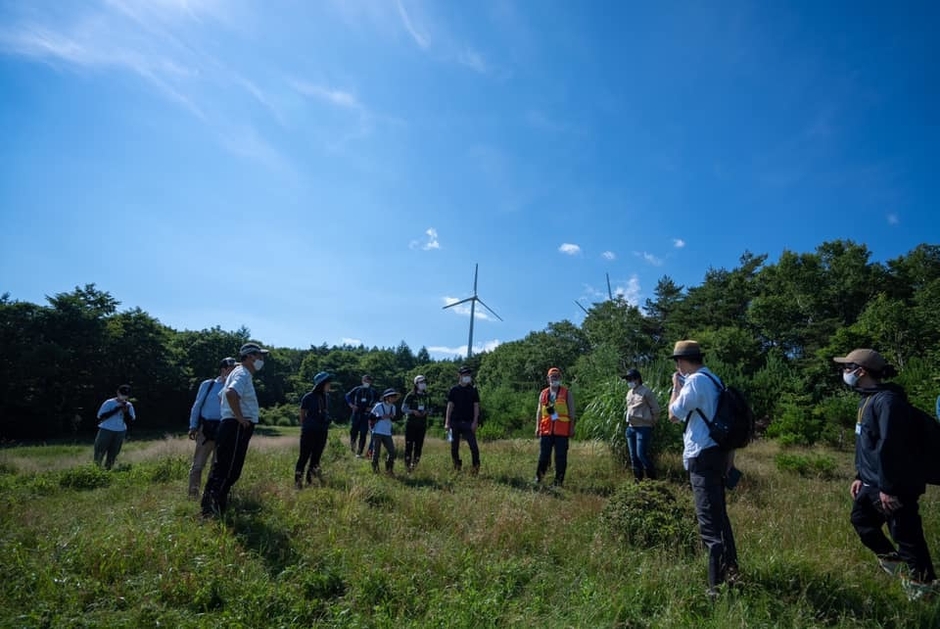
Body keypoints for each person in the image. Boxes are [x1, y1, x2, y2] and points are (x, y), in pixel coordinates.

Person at [834, 348, 937, 600]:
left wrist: (889, 488)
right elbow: (867, 444)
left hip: (893, 486)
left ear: (861, 371)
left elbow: (892, 447)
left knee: (907, 537)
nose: (844, 371)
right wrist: (859, 475)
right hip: (871, 483)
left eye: (847, 367)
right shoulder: (867, 399)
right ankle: (899, 568)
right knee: (862, 521)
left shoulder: (888, 402)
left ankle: (925, 589)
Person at [667, 340, 739, 598]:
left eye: (677, 362)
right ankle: (732, 574)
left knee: (709, 524)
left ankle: (715, 588)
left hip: (702, 456)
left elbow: (673, 415)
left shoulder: (695, 382)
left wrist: (676, 387)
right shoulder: (714, 380)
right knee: (720, 519)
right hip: (717, 454)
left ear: (681, 362)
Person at [201, 342, 269, 518]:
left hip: (231, 424)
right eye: (259, 356)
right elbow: (230, 394)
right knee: (229, 470)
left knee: (222, 467)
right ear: (250, 356)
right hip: (236, 426)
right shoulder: (242, 373)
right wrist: (239, 417)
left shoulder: (237, 373)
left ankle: (209, 506)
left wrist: (229, 413)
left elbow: (221, 396)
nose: (261, 360)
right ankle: (214, 509)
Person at [187, 357, 237, 498]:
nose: (234, 371)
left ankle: (209, 495)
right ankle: (193, 494)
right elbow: (197, 405)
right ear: (223, 369)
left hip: (226, 429)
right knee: (198, 464)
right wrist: (193, 426)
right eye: (231, 368)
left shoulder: (236, 387)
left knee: (217, 466)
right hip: (207, 429)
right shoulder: (208, 385)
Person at [534, 367, 576, 487]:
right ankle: (539, 478)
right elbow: (539, 412)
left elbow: (572, 413)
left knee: (560, 458)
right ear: (548, 379)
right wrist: (537, 427)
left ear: (560, 378)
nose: (554, 379)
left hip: (562, 431)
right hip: (546, 431)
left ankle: (558, 482)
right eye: (552, 377)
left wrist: (571, 428)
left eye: (556, 377)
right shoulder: (543, 393)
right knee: (543, 456)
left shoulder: (567, 393)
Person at [295, 371, 335, 488]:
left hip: (322, 431)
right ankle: (298, 483)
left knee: (316, 458)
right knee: (304, 457)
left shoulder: (326, 397)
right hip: (309, 431)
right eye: (328, 383)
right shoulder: (308, 397)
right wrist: (305, 427)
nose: (330, 385)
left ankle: (310, 481)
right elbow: (302, 414)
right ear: (321, 384)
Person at [623, 368, 661, 482]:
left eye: (630, 379)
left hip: (643, 428)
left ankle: (652, 481)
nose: (629, 381)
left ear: (637, 379)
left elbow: (656, 409)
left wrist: (652, 422)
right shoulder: (629, 393)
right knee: (633, 457)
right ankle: (638, 482)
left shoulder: (646, 392)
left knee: (641, 455)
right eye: (627, 379)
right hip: (631, 428)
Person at [445, 366, 481, 474]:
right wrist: (447, 422)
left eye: (468, 375)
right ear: (459, 376)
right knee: (454, 447)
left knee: (474, 447)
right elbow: (450, 406)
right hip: (455, 422)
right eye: (465, 375)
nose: (467, 376)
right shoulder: (454, 390)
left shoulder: (473, 390)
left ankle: (475, 468)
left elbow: (476, 406)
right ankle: (457, 466)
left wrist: (475, 422)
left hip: (468, 422)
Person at [94, 384, 136, 470]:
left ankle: (108, 470)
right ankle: (95, 469)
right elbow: (100, 416)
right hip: (106, 429)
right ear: (118, 392)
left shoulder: (129, 405)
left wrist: (126, 412)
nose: (124, 396)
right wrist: (116, 409)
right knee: (100, 451)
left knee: (114, 452)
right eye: (122, 394)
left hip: (120, 431)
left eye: (126, 395)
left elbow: (131, 420)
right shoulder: (109, 402)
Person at [402, 375, 431, 472]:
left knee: (419, 446)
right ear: (416, 384)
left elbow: (431, 409)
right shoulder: (411, 395)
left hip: (422, 424)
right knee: (409, 446)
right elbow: (403, 408)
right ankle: (407, 466)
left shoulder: (427, 396)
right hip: (411, 424)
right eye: (421, 382)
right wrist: (413, 411)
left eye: (424, 382)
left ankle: (414, 466)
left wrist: (427, 411)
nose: (423, 384)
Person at [346, 375, 378, 457]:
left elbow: (378, 401)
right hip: (356, 414)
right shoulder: (357, 389)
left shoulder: (373, 391)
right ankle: (353, 450)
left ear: (371, 382)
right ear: (362, 381)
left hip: (366, 415)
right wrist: (351, 405)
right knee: (353, 432)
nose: (367, 382)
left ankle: (359, 452)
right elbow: (347, 396)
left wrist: (372, 408)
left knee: (363, 433)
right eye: (365, 381)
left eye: (368, 381)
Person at [370, 388, 400, 474]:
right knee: (376, 452)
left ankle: (389, 469)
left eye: (394, 396)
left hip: (387, 432)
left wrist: (392, 417)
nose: (394, 398)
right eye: (392, 396)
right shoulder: (379, 405)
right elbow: (370, 416)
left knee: (392, 452)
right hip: (377, 431)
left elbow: (394, 418)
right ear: (386, 397)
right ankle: (375, 470)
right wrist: (380, 417)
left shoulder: (393, 407)